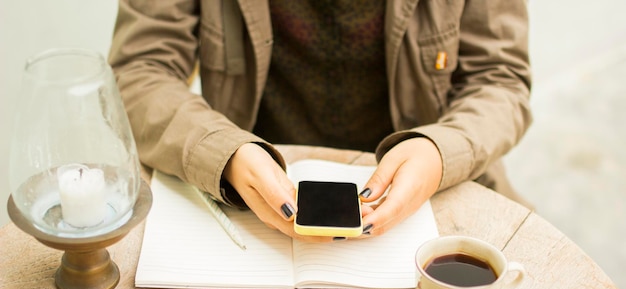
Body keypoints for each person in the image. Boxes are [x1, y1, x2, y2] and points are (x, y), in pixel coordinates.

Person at [108, 0, 532, 241]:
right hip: (248, 190)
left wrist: (440, 151)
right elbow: (139, 70)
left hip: (434, 189)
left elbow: (500, 79)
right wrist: (223, 151)